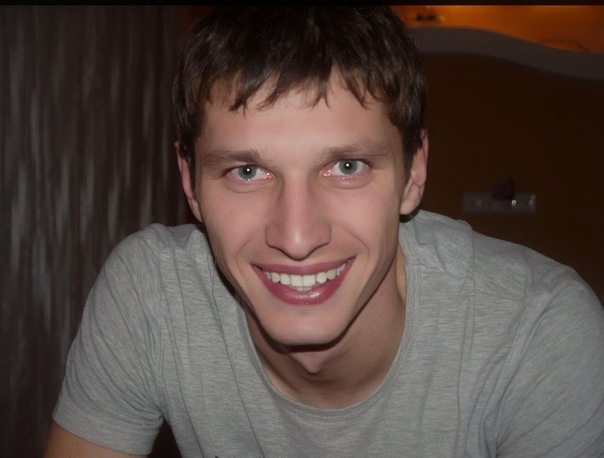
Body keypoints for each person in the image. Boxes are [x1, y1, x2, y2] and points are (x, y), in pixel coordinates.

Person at [44, 6, 604, 457]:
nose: (296, 237)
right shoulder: (150, 296)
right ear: (190, 183)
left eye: (346, 166)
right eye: (247, 172)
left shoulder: (537, 332)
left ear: (413, 174)